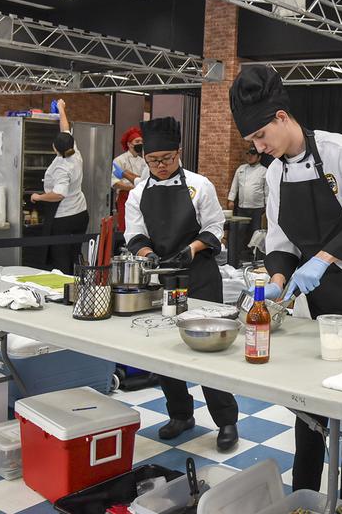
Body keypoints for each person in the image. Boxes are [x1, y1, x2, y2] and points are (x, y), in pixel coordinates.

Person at [229, 65, 342, 508]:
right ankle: (303, 495)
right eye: (254, 142)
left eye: (262, 136)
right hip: (313, 300)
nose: (260, 148)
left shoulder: (338, 151)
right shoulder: (277, 173)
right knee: (308, 401)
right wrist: (280, 277)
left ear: (282, 117)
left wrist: (322, 259)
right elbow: (280, 239)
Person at [123, 116, 239, 452]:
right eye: (152, 161)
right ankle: (180, 414)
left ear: (179, 152)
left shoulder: (199, 185)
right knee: (165, 351)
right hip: (163, 277)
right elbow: (134, 233)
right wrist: (148, 254)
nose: (159, 166)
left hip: (200, 275)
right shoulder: (138, 192)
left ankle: (226, 421)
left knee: (209, 352)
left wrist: (192, 249)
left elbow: (216, 227)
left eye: (166, 159)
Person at [29, 99, 88, 274]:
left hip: (64, 216)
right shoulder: (74, 152)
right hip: (81, 213)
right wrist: (62, 108)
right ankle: (79, 285)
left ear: (55, 148)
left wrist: (38, 197)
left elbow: (59, 194)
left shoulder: (62, 167)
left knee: (61, 256)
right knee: (75, 252)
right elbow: (65, 128)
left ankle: (64, 289)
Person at [227, 145, 267, 263]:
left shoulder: (264, 171)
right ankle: (236, 258)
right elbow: (234, 186)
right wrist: (231, 200)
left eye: (253, 155)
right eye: (248, 154)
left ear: (259, 157)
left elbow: (267, 191)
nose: (250, 157)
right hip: (242, 208)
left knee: (255, 234)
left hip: (257, 209)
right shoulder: (241, 169)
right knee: (239, 233)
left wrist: (267, 208)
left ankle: (254, 259)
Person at [111, 126, 148, 231]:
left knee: (139, 224)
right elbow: (114, 182)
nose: (140, 144)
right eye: (137, 141)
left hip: (140, 197)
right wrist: (132, 188)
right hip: (124, 196)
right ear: (129, 144)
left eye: (141, 141)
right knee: (124, 224)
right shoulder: (119, 160)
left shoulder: (143, 161)